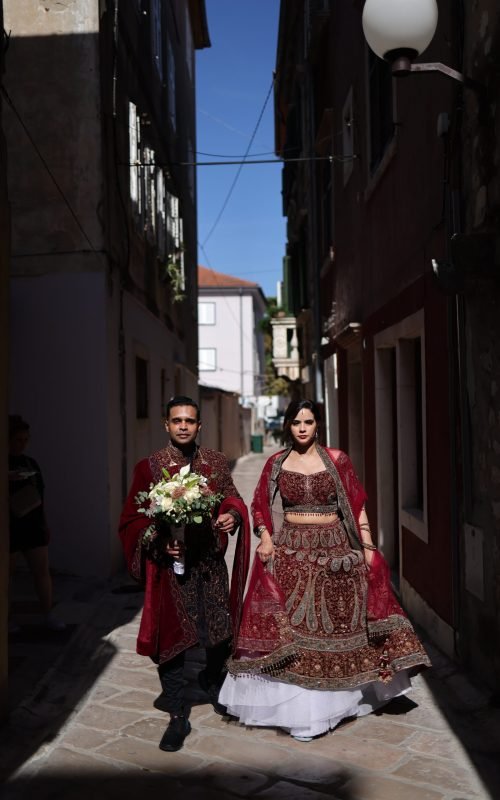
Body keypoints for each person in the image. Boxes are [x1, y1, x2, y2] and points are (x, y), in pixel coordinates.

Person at [220, 399, 430, 742]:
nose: (302, 428)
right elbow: (259, 505)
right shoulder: (276, 462)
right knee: (295, 630)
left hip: (334, 550)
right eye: (296, 422)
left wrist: (367, 547)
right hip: (291, 551)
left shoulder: (337, 460)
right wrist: (266, 537)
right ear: (288, 425)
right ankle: (299, 708)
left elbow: (357, 504)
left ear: (318, 425)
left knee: (339, 625)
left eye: (308, 422)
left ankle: (337, 701)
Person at [119, 396, 250, 753]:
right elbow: (133, 518)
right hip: (170, 573)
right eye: (176, 420)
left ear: (198, 426)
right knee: (171, 641)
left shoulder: (216, 463)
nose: (182, 426)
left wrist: (232, 515)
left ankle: (213, 682)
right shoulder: (150, 468)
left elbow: (233, 498)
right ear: (166, 424)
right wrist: (159, 542)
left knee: (217, 633)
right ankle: (177, 713)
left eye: (189, 421)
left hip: (208, 564)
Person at [8, 414, 65, 632]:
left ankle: (47, 614)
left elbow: (41, 495)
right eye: (17, 440)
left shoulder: (30, 463)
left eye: (25, 440)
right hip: (11, 527)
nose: (22, 445)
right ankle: (8, 619)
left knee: (41, 571)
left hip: (32, 524)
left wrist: (44, 524)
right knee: (8, 576)